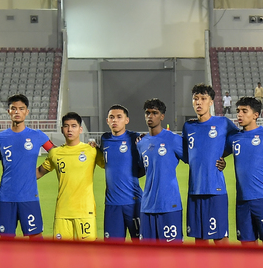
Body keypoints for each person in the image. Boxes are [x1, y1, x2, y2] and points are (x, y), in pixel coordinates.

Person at [0, 93, 54, 237]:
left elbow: (56, 154)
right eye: (13, 108)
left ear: (27, 112)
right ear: (8, 111)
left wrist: (40, 171)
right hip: (6, 198)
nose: (17, 112)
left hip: (29, 197)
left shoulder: (38, 135)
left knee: (36, 239)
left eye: (21, 108)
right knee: (6, 242)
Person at [182, 84, 237, 244]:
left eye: (203, 99)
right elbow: (188, 153)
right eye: (195, 99)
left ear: (211, 102)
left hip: (216, 190)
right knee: (199, 240)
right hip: (194, 190)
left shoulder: (223, 123)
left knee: (220, 239)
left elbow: (239, 140)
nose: (199, 102)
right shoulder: (188, 126)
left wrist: (223, 156)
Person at [37, 112, 104, 241]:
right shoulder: (55, 153)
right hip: (62, 212)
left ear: (80, 129)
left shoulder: (91, 151)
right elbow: (39, 172)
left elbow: (110, 166)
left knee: (88, 254)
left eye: (73, 126)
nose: (69, 129)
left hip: (85, 211)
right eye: (66, 126)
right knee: (61, 256)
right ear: (62, 129)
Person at [225, 96, 263, 247]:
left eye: (244, 111)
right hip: (242, 200)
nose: (239, 115)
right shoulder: (233, 138)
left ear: (255, 115)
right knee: (247, 248)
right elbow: (218, 154)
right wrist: (220, 161)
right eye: (238, 111)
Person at [136, 99, 184, 243]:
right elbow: (141, 170)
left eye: (155, 113)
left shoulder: (174, 139)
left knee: (172, 257)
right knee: (147, 257)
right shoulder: (141, 143)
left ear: (162, 116)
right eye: (147, 113)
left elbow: (194, 160)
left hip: (169, 205)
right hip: (147, 206)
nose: (150, 116)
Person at [100, 104, 144, 241]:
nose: (115, 120)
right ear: (107, 121)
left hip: (133, 202)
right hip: (112, 204)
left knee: (141, 247)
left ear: (127, 120)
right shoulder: (104, 139)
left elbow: (144, 167)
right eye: (111, 117)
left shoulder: (135, 138)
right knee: (113, 250)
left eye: (119, 117)